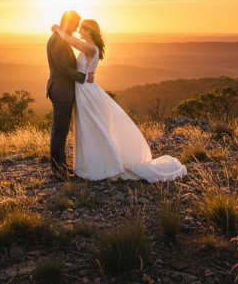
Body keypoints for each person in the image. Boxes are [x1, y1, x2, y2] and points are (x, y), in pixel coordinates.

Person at [51, 18, 187, 182]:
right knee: (88, 129)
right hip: (83, 91)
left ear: (89, 31)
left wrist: (58, 29)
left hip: (87, 93)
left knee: (93, 129)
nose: (79, 31)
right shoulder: (90, 46)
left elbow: (70, 40)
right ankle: (89, 165)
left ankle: (105, 165)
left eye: (82, 29)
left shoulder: (90, 47)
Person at [45, 10, 92, 180]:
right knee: (60, 130)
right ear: (68, 22)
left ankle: (61, 167)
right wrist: (84, 77)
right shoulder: (57, 41)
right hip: (61, 91)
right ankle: (58, 170)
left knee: (61, 130)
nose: (77, 27)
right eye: (75, 24)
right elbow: (64, 68)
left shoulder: (60, 38)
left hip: (63, 90)